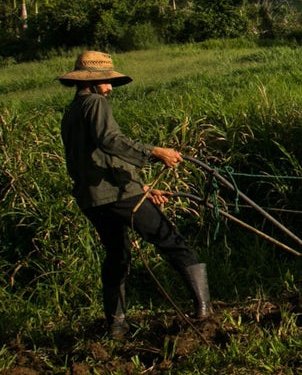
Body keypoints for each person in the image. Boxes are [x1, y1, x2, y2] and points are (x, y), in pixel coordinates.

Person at [58, 50, 211, 339]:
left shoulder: (73, 111)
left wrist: (139, 186)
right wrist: (155, 152)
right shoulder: (95, 103)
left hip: (93, 199)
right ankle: (204, 311)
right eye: (106, 81)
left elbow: (98, 158)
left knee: (117, 255)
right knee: (171, 240)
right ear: (91, 82)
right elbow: (111, 141)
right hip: (117, 196)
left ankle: (117, 326)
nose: (110, 87)